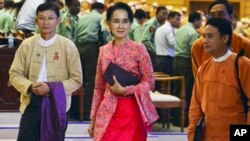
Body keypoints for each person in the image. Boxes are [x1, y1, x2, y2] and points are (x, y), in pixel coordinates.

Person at [9, 2, 82, 141]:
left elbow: (76, 79)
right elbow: (14, 74)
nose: (46, 22)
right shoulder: (27, 44)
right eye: (41, 18)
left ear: (58, 20)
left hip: (58, 104)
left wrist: (50, 88)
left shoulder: (68, 46)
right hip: (31, 101)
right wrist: (30, 86)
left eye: (50, 18)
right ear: (36, 20)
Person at [88, 2, 158, 141]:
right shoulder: (103, 51)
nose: (120, 26)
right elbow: (99, 87)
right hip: (107, 110)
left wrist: (125, 90)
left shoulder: (139, 49)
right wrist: (93, 118)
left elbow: (149, 83)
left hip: (132, 112)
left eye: (125, 21)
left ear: (131, 24)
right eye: (116, 21)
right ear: (109, 24)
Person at [188, 18, 250, 141]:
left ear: (225, 38)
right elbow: (195, 107)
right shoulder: (203, 68)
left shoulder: (242, 65)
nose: (205, 41)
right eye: (204, 36)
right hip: (208, 134)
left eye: (210, 36)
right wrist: (192, 135)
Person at [191, 0, 250, 77]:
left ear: (231, 17)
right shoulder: (198, 46)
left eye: (221, 14)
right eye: (212, 15)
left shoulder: (245, 44)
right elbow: (198, 79)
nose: (216, 18)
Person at [75, 2, 106, 120]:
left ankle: (77, 111)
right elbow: (103, 35)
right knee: (90, 80)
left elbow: (76, 34)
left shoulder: (82, 17)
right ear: (101, 10)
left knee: (79, 79)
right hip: (92, 48)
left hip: (79, 47)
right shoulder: (101, 17)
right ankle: (87, 112)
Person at [172, 11, 202, 127]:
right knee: (187, 90)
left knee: (176, 89)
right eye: (200, 21)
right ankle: (183, 121)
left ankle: (175, 118)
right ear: (195, 21)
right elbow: (193, 50)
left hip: (176, 60)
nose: (201, 23)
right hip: (186, 62)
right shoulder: (193, 32)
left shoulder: (180, 29)